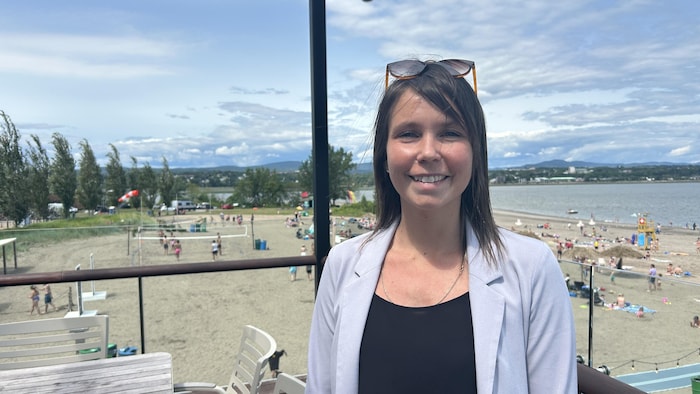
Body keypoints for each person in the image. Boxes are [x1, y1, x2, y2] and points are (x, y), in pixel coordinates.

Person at [306, 58, 577, 393]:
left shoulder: (532, 268)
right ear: (384, 156)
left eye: (450, 133)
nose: (429, 151)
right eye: (408, 134)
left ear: (476, 152)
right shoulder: (343, 265)